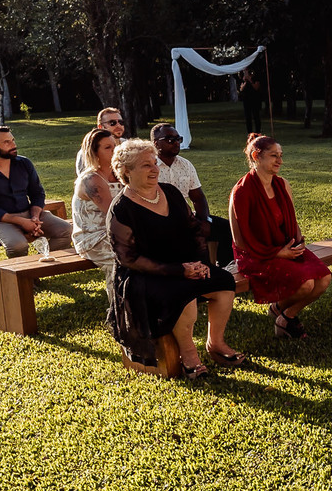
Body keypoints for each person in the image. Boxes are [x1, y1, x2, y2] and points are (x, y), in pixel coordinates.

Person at [107, 140, 243, 378]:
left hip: (185, 265)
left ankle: (216, 343)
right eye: (145, 165)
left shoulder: (169, 192)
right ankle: (189, 356)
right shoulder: (121, 209)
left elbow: (194, 230)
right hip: (144, 276)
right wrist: (180, 270)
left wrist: (200, 263)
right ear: (126, 171)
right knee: (183, 294)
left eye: (154, 163)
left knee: (223, 282)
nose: (154, 169)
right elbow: (129, 259)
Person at [229, 134, 332, 339]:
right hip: (256, 254)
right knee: (306, 284)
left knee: (324, 279)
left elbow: (292, 220)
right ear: (256, 156)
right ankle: (285, 320)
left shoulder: (282, 184)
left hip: (284, 246)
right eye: (274, 155)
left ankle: (283, 314)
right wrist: (276, 253)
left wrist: (299, 243)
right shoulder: (241, 191)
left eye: (281, 155)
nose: (280, 161)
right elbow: (240, 239)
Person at [0, 126, 73, 258]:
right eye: (6, 142)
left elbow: (37, 193)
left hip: (28, 213)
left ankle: (41, 264)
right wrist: (22, 222)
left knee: (66, 230)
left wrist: (34, 217)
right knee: (18, 245)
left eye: (13, 140)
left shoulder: (24, 163)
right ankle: (24, 276)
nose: (13, 145)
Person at [151, 123, 236, 272]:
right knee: (192, 239)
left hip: (187, 217)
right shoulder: (150, 167)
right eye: (170, 139)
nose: (176, 142)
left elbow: (198, 197)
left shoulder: (186, 165)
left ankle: (226, 270)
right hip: (161, 220)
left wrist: (205, 220)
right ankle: (201, 271)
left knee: (225, 228)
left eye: (179, 138)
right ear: (155, 143)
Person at [71, 129, 123, 277]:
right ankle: (120, 298)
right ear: (94, 153)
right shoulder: (91, 180)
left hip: (117, 231)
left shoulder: (120, 174)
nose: (115, 150)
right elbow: (115, 214)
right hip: (93, 237)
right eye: (108, 148)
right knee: (126, 257)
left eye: (115, 145)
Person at [75, 108, 126, 175]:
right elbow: (85, 179)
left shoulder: (127, 145)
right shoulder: (89, 151)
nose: (118, 125)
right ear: (100, 127)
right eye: (112, 123)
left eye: (120, 122)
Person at [240, 68, 264, 135]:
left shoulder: (255, 78)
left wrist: (250, 80)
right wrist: (245, 81)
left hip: (255, 99)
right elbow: (241, 89)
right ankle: (249, 132)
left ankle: (258, 131)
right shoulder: (243, 79)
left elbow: (256, 87)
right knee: (248, 117)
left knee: (256, 115)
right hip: (246, 99)